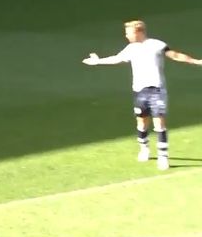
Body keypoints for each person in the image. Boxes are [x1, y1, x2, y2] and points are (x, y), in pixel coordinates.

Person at [82, 21, 202, 170]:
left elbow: (175, 55)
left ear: (138, 32)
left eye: (129, 32)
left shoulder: (156, 45)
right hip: (140, 91)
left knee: (159, 123)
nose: (126, 35)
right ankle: (144, 149)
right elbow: (117, 58)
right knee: (142, 123)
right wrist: (98, 61)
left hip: (156, 90)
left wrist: (196, 61)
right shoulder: (131, 48)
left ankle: (163, 156)